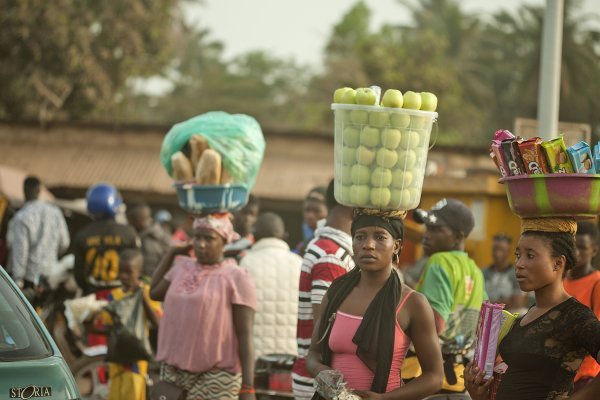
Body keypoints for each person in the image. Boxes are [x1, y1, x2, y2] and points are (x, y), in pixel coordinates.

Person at [306, 209, 444, 399]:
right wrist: (321, 371)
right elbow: (313, 354)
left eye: (380, 237)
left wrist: (383, 399)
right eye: (360, 237)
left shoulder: (412, 303)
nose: (368, 245)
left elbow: (434, 377)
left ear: (396, 246)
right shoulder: (336, 293)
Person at [465, 218, 600, 400]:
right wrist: (479, 395)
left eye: (530, 255)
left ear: (558, 263)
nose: (519, 264)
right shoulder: (527, 315)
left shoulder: (575, 316)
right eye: (518, 254)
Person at [150, 213, 257, 400]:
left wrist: (248, 387)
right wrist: (171, 253)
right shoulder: (182, 268)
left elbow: (245, 333)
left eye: (209, 238)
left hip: (216, 376)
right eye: (197, 237)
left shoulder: (236, 276)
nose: (201, 244)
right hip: (174, 374)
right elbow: (154, 293)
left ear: (224, 241)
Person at [404, 198, 486, 394]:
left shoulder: (438, 261)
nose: (426, 234)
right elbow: (484, 321)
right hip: (458, 377)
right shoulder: (475, 270)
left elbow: (436, 324)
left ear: (458, 237)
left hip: (423, 374)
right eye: (427, 227)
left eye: (436, 230)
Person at [292, 180, 355, 400]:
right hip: (321, 384)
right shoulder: (332, 256)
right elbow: (326, 331)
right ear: (354, 206)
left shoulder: (332, 249)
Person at [96, 249, 162, 400]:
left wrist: (143, 298)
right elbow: (107, 326)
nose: (123, 276)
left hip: (136, 359)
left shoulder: (147, 292)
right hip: (116, 358)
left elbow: (157, 322)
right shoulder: (113, 296)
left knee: (133, 392)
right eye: (121, 271)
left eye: (129, 272)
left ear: (139, 271)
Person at [239, 212, 302, 358]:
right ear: (285, 236)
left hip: (255, 355)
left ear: (253, 236)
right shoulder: (299, 263)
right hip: (293, 353)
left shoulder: (246, 262)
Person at [72, 184, 139, 296]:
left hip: (93, 297)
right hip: (122, 295)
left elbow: (78, 275)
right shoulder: (128, 233)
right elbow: (138, 265)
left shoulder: (82, 235)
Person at [6, 176, 70, 291]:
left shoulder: (21, 217)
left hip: (29, 278)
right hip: (51, 275)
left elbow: (20, 251)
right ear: (39, 191)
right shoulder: (55, 213)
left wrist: (17, 280)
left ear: (24, 191)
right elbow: (65, 242)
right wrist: (52, 256)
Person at [563, 221, 600, 391]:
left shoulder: (596, 284)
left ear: (594, 250)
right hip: (559, 375)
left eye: (583, 248)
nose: (576, 252)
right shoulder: (560, 281)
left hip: (586, 377)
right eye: (573, 246)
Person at [126, 202, 171, 280]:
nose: (128, 223)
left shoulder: (159, 238)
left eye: (130, 220)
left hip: (153, 284)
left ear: (138, 219)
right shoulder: (132, 236)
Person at [483, 234, 526, 312]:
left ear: (508, 251)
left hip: (507, 315)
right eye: (495, 249)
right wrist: (505, 301)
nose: (497, 253)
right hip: (486, 314)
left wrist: (490, 304)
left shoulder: (517, 273)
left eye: (501, 250)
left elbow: (517, 302)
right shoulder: (483, 273)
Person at [294, 186, 328, 255]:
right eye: (307, 210)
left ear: (329, 211)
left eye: (316, 211)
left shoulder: (331, 243)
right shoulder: (302, 245)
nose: (310, 216)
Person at [225, 194, 260, 260]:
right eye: (244, 213)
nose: (247, 218)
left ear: (256, 218)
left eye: (252, 214)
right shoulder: (223, 239)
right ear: (234, 213)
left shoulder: (256, 245)